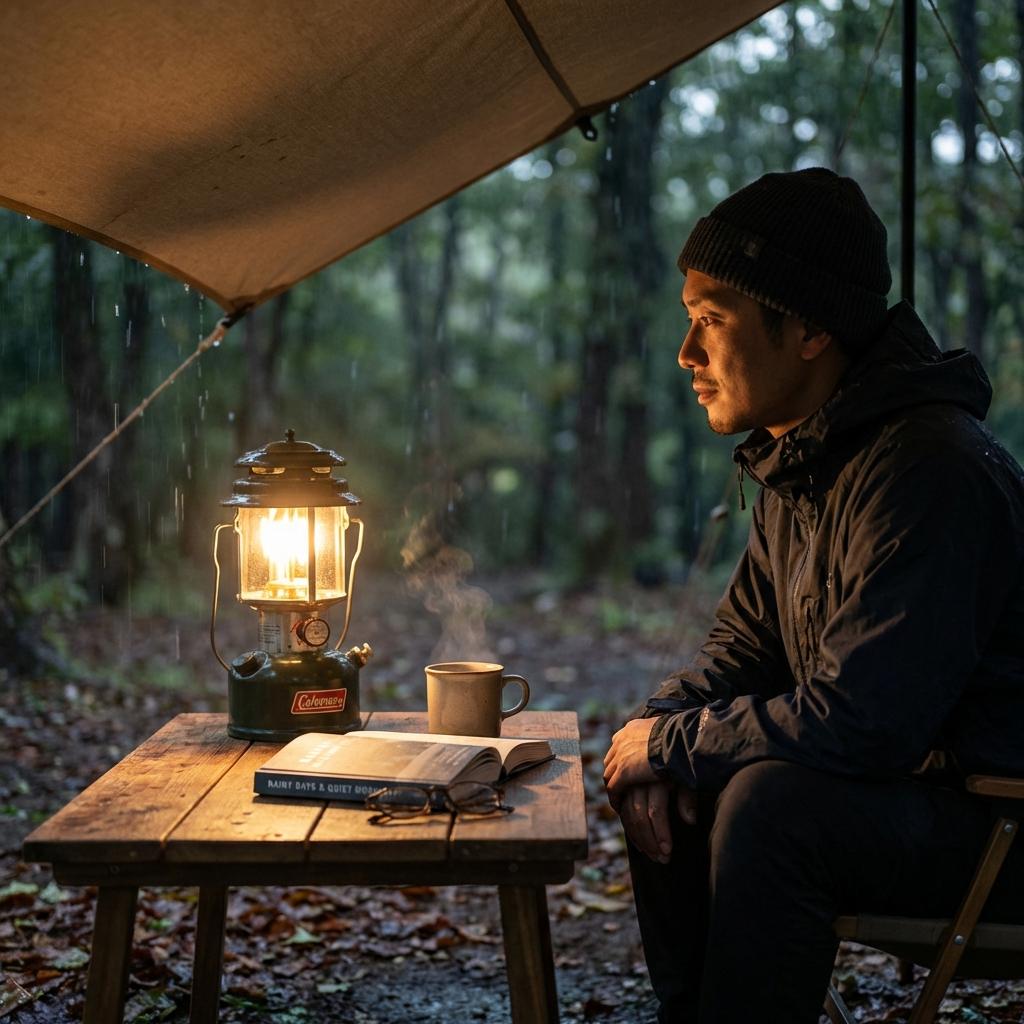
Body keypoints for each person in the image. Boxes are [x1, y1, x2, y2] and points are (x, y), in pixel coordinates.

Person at [602, 167, 1024, 1024]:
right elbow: (740, 653)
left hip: (998, 831)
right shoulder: (806, 464)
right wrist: (656, 732)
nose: (688, 354)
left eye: (712, 321)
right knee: (674, 778)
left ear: (808, 330)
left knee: (769, 806)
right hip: (918, 804)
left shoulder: (925, 471)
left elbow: (865, 718)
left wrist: (676, 744)